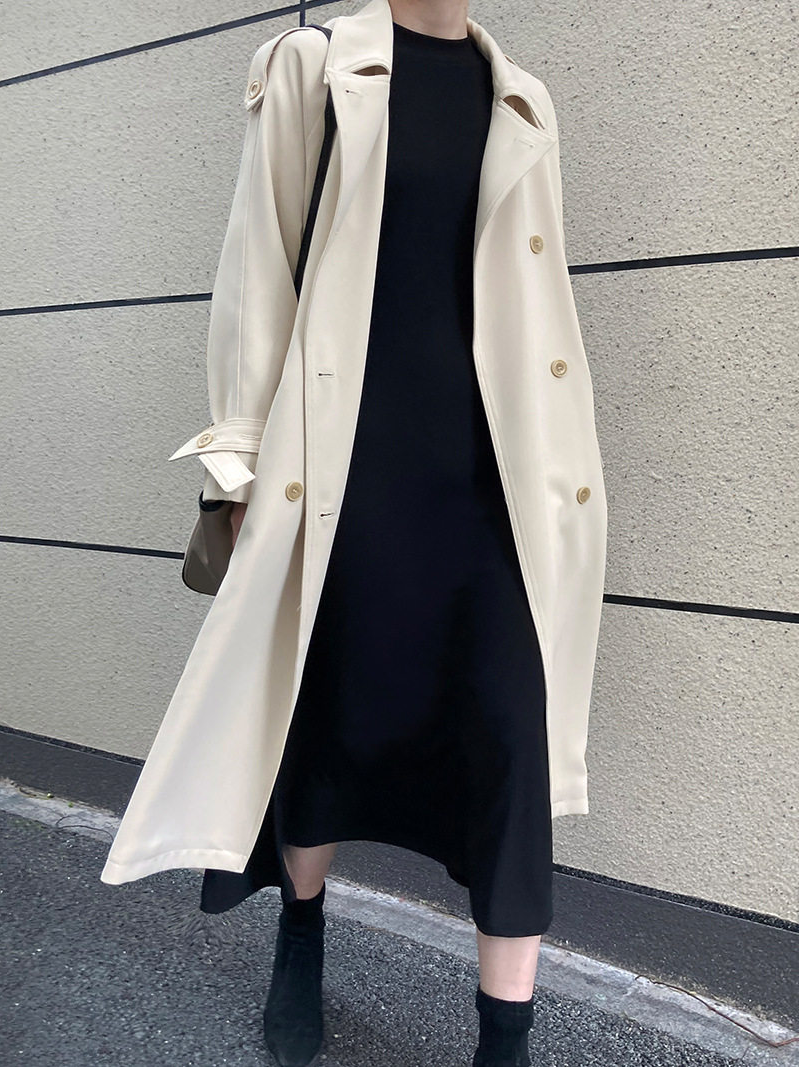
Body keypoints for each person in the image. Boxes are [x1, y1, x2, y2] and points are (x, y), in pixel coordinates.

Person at [197, 2, 559, 1065]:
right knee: (327, 720)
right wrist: (234, 465)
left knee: (509, 743)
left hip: (491, 485)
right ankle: (301, 930)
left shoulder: (520, 98)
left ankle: (504, 1042)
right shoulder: (312, 64)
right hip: (343, 473)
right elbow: (257, 265)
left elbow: (534, 308)